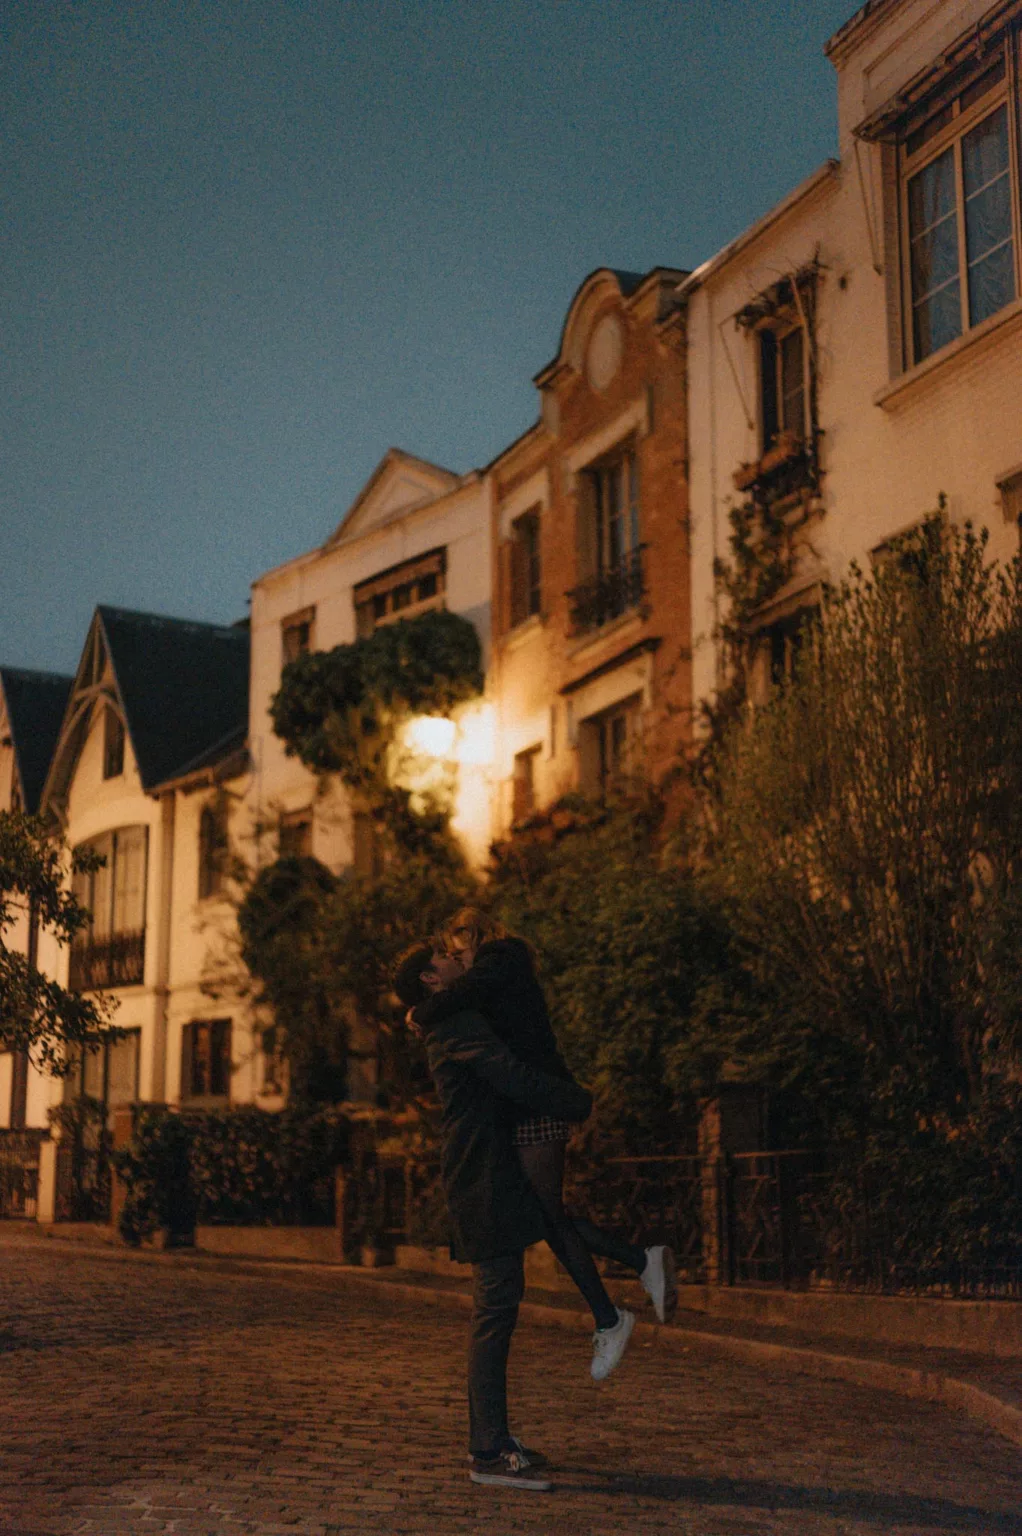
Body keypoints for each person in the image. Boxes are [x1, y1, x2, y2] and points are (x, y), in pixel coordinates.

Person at [407, 907, 677, 1380]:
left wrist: (421, 1011)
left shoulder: (502, 958)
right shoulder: (498, 971)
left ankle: (616, 1306)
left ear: (477, 937)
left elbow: (470, 996)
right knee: (544, 1214)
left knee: (548, 1216)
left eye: (459, 948)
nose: (459, 959)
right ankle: (630, 1280)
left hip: (537, 1103)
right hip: (530, 1104)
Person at [393, 941, 592, 1492]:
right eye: (447, 955)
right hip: (480, 1175)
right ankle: (486, 1450)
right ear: (433, 977)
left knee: (501, 1301)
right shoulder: (455, 1026)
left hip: (486, 1169)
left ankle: (495, 1439)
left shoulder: (451, 1017)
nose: (461, 958)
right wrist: (578, 1099)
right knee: (494, 1308)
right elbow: (511, 1076)